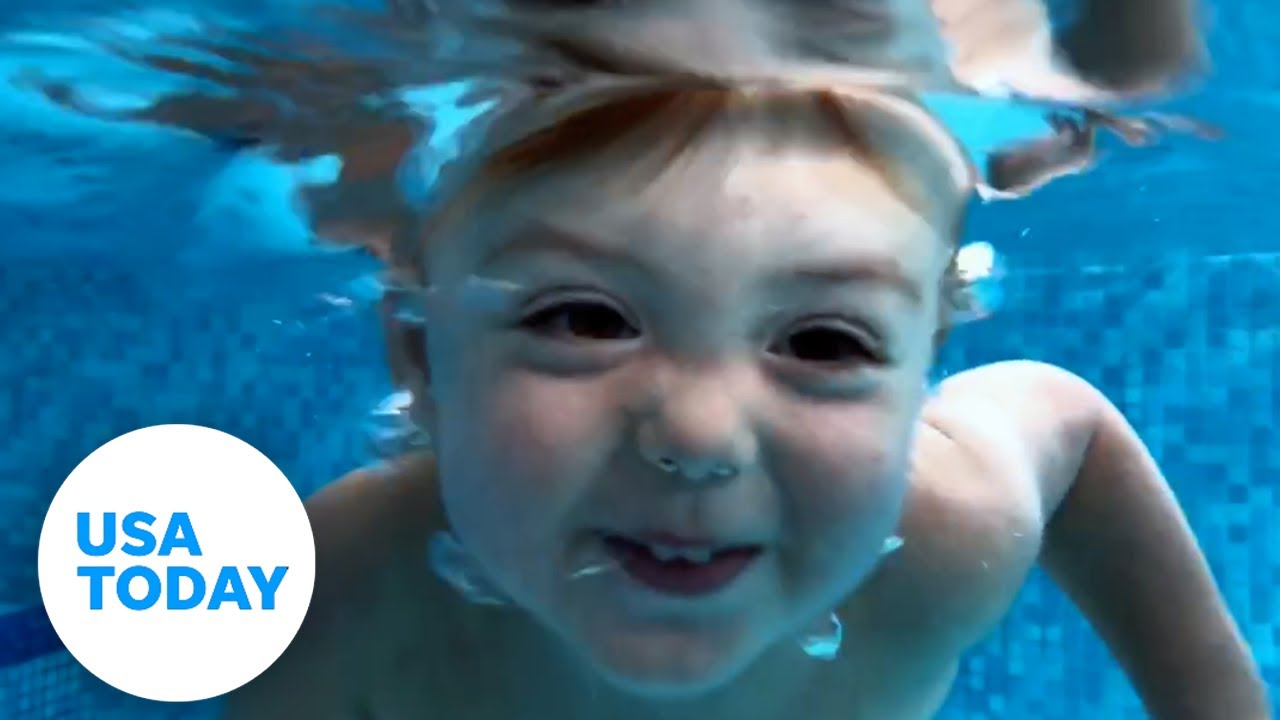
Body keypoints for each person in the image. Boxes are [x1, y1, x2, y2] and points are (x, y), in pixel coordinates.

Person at [211, 75, 1266, 719]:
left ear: (916, 382)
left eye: (822, 341)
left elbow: (1067, 424)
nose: (701, 436)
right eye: (584, 321)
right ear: (423, 358)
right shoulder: (343, 591)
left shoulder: (945, 540)